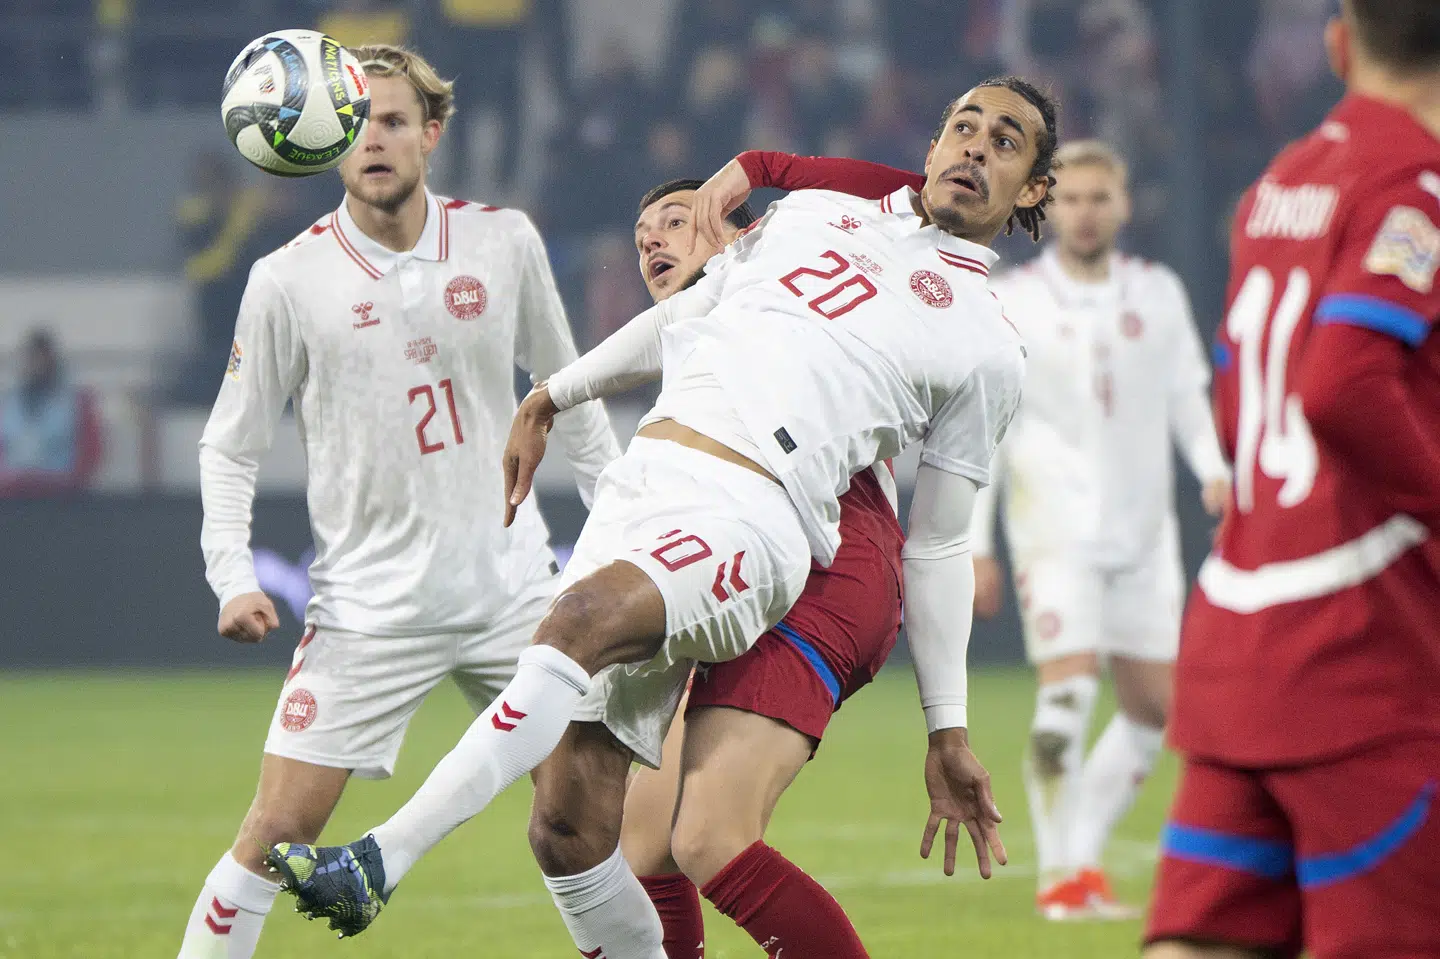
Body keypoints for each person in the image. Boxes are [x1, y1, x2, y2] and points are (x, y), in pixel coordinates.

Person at [271, 76, 1058, 959]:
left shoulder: (988, 341)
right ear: (931, 144)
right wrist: (554, 393)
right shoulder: (813, 217)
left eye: (1005, 141)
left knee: (591, 644)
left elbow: (943, 538)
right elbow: (692, 311)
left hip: (759, 511)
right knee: (570, 821)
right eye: (963, 127)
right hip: (648, 483)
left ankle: (382, 856)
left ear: (1031, 188)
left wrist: (946, 724)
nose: (975, 148)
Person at [174, 44, 619, 959]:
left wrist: (624, 527)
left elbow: (567, 391)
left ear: (432, 133)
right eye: (355, 122)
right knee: (272, 838)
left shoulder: (505, 240)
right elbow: (230, 443)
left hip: (514, 596)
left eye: (392, 119)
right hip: (368, 611)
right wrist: (230, 576)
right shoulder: (287, 281)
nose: (373, 138)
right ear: (327, 142)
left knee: (585, 829)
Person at [1145, 2, 1440, 956]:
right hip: (1367, 654)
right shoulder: (1419, 187)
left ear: (1340, 42)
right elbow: (1346, 381)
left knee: (1199, 942)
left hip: (1242, 634)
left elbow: (1244, 391)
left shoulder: (1278, 182)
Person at [621, 174, 904, 958]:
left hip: (830, 557)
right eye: (643, 233)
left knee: (709, 833)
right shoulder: (688, 348)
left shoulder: (778, 301)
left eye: (675, 220)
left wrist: (766, 161)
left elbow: (900, 199)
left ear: (736, 232)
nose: (652, 240)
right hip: (732, 567)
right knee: (640, 846)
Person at [972, 139, 1230, 919]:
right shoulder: (1015, 299)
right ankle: (1060, 877)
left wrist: (1214, 468)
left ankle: (1080, 859)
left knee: (1156, 715)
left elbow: (1188, 391)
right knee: (1069, 694)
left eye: (1098, 198)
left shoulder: (1157, 293)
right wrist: (977, 543)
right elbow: (989, 428)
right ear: (1048, 207)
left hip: (1145, 535)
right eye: (1071, 198)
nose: (1084, 213)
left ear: (1121, 205)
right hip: (1054, 531)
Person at [0, 329, 103, 497]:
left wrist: (75, 481)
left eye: (41, 357)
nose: (36, 364)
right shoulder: (7, 404)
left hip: (61, 497)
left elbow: (92, 450)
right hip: (12, 497)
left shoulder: (77, 402)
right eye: (31, 357)